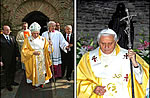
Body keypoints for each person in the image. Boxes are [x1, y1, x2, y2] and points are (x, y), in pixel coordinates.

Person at [77, 28, 149, 98]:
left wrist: (135, 64)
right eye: (103, 43)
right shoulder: (88, 58)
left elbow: (142, 80)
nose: (106, 47)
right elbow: (79, 80)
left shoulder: (129, 55)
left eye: (110, 43)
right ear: (98, 42)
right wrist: (93, 88)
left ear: (116, 41)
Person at [21, 22, 53, 88]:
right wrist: (32, 52)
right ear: (31, 33)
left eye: (37, 33)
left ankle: (41, 82)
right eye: (34, 33)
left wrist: (50, 45)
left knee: (42, 71)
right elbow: (24, 50)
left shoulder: (43, 39)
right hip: (32, 58)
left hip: (42, 58)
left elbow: (47, 49)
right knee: (33, 71)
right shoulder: (27, 40)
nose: (36, 35)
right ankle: (34, 83)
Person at [0, 25, 20, 91]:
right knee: (7, 72)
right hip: (5, 59)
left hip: (13, 58)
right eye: (6, 30)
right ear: (2, 31)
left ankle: (12, 81)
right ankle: (8, 85)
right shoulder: (0, 38)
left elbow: (16, 47)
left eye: (9, 29)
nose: (8, 31)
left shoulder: (12, 37)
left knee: (13, 70)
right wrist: (0, 61)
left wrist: (17, 56)